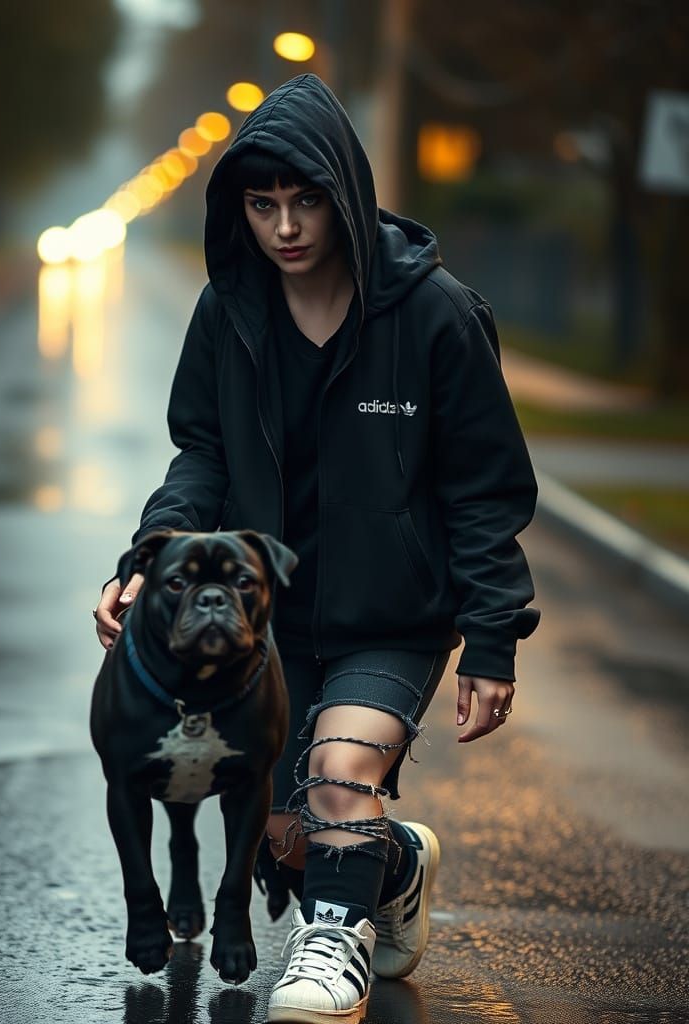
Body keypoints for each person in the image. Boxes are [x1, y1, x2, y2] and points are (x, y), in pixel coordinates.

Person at [94, 73, 539, 1022]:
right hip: (271, 633)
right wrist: (148, 558)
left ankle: (331, 952)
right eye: (262, 205)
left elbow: (484, 491)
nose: (286, 227)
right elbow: (202, 456)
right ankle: (398, 860)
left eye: (306, 202)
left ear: (346, 192)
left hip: (395, 617)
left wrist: (493, 636)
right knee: (285, 837)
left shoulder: (437, 317)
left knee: (341, 776)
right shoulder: (229, 315)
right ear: (240, 209)